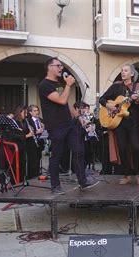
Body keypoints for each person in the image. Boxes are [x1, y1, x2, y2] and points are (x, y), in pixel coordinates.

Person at [38, 57, 98, 194]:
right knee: (57, 155)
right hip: (56, 125)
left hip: (69, 124)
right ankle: (55, 186)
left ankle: (82, 181)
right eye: (58, 65)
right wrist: (69, 85)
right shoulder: (45, 85)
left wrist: (77, 116)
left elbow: (66, 103)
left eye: (61, 66)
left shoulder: (58, 84)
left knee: (79, 151)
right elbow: (60, 99)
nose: (61, 68)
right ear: (50, 67)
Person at [99, 64, 139, 186]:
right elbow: (102, 99)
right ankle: (126, 175)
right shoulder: (115, 87)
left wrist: (137, 100)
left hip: (133, 123)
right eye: (122, 70)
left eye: (126, 71)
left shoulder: (138, 87)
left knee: (136, 147)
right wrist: (108, 105)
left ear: (132, 74)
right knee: (122, 149)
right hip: (119, 123)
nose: (123, 72)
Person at [26, 105, 45, 179]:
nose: (37, 112)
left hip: (40, 141)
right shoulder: (28, 120)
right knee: (32, 158)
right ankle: (31, 174)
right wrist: (36, 131)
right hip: (31, 142)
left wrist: (43, 129)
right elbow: (28, 131)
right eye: (34, 111)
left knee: (38, 157)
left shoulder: (41, 120)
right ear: (30, 112)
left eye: (37, 110)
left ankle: (37, 172)